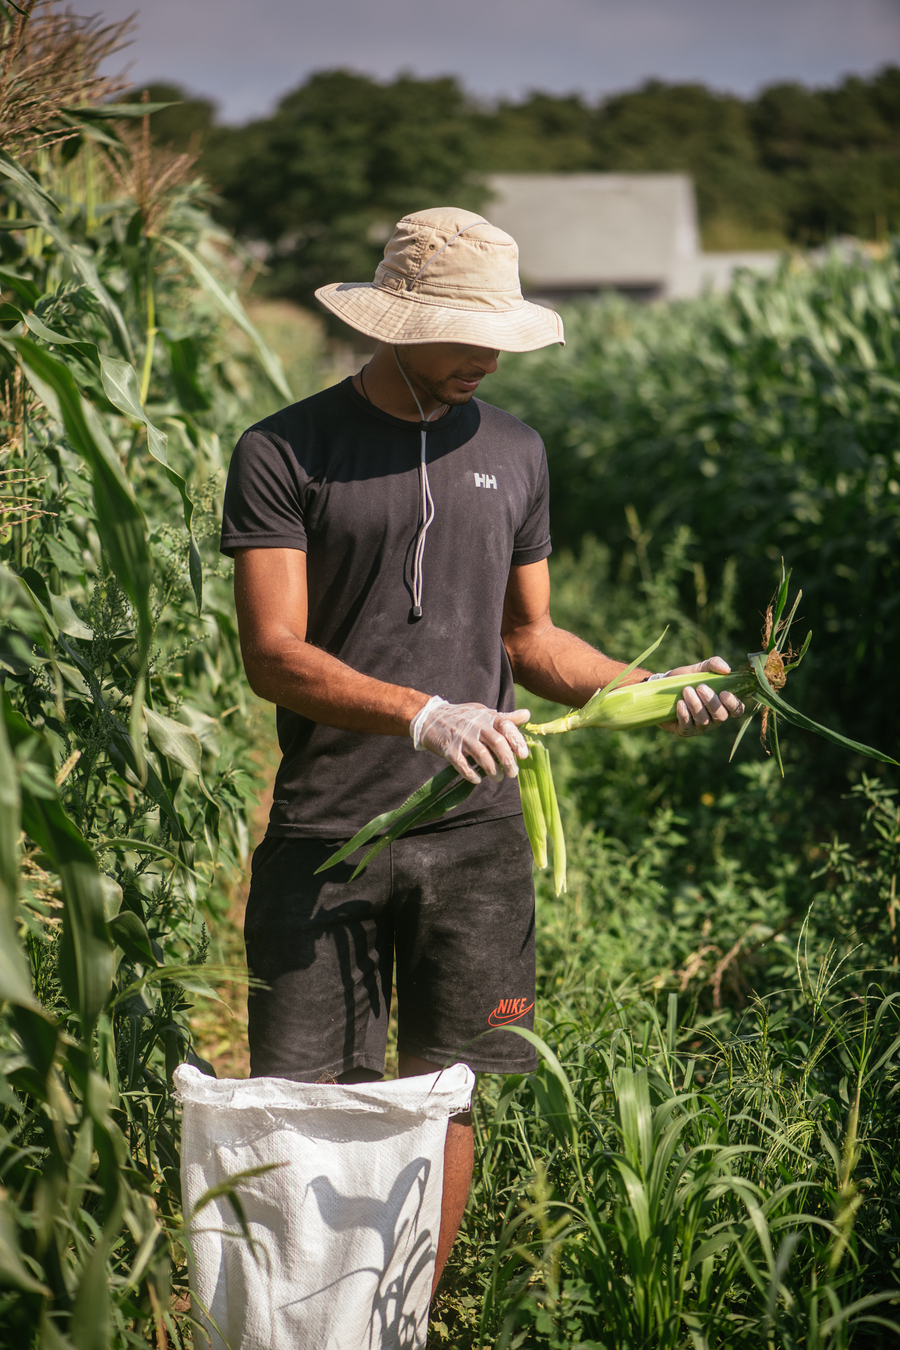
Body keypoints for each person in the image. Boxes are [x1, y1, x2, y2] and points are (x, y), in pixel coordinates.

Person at [220, 207, 745, 1295]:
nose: (485, 358)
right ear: (395, 322)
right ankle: (316, 1311)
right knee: (318, 1094)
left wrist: (648, 690)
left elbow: (531, 638)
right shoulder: (283, 450)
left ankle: (405, 1309)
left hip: (477, 839)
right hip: (332, 830)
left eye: (496, 336)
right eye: (463, 334)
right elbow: (272, 653)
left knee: (444, 1090)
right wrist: (424, 712)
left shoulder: (515, 449)